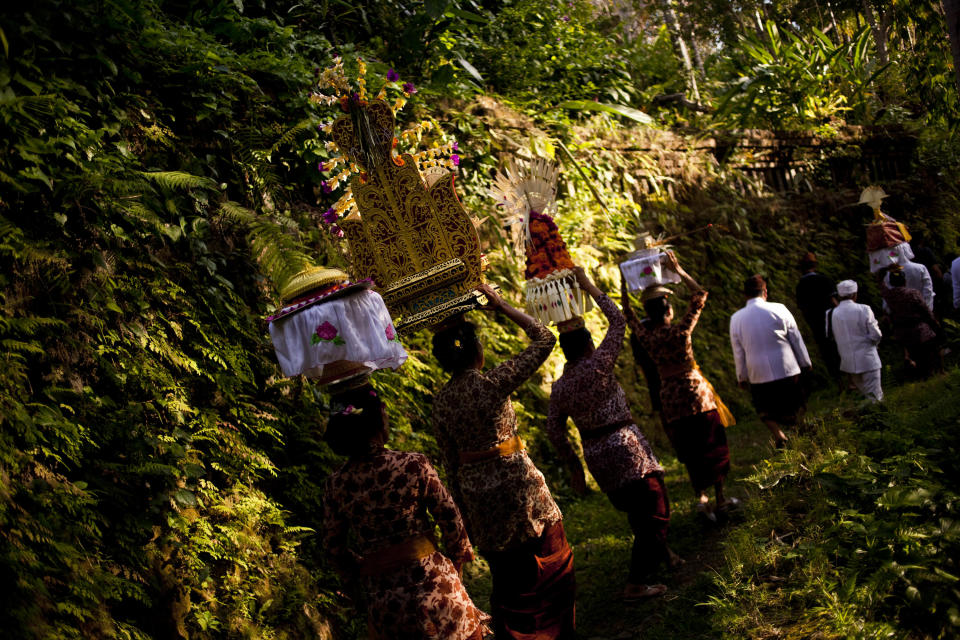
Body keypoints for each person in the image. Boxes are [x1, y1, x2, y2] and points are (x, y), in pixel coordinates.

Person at [432, 284, 575, 640]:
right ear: (476, 351)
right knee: (550, 564)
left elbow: (450, 463)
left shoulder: (441, 404)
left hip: (478, 499)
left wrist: (465, 516)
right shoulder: (492, 383)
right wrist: (503, 306)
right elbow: (545, 339)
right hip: (519, 489)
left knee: (510, 579)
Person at [322, 385, 490, 640]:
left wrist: (367, 567)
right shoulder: (412, 464)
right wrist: (455, 566)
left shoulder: (336, 485)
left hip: (387, 605)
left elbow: (334, 549)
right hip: (437, 589)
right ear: (377, 421)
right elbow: (451, 521)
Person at [547, 267, 673, 601]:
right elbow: (618, 321)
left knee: (637, 509)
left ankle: (663, 555)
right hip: (626, 448)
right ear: (588, 343)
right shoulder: (600, 362)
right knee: (656, 508)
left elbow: (554, 431)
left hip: (596, 455)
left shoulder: (560, 388)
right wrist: (587, 284)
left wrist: (574, 467)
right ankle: (635, 582)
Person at [623, 251, 736, 522]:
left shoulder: (647, 338)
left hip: (671, 400)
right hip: (697, 395)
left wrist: (624, 282)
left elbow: (627, 314)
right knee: (712, 444)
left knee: (690, 449)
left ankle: (702, 498)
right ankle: (720, 499)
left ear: (648, 313)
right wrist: (679, 268)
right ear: (669, 310)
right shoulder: (681, 331)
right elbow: (699, 295)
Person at [729, 275, 812, 448]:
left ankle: (779, 435)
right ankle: (800, 431)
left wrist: (741, 376)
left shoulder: (736, 318)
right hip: (787, 367)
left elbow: (738, 352)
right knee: (794, 403)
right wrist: (805, 362)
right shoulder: (779, 309)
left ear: (745, 295)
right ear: (765, 292)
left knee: (764, 409)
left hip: (757, 372)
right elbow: (795, 338)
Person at [878, 266, 942, 377]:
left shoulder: (889, 295)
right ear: (905, 281)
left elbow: (881, 286)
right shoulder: (912, 293)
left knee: (916, 355)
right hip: (919, 330)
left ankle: (921, 372)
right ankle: (936, 371)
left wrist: (882, 272)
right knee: (932, 350)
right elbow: (925, 311)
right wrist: (934, 323)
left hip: (902, 332)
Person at [828, 280, 883, 403]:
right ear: (854, 294)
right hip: (868, 359)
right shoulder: (863, 309)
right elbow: (876, 334)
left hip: (849, 364)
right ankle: (879, 419)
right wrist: (873, 344)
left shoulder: (833, 313)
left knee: (865, 395)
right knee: (875, 397)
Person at [795, 251, 840, 376]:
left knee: (826, 350)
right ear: (815, 265)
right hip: (832, 320)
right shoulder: (824, 280)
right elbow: (833, 301)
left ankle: (838, 381)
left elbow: (802, 307)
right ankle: (850, 379)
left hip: (815, 323)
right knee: (838, 347)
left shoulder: (800, 286)